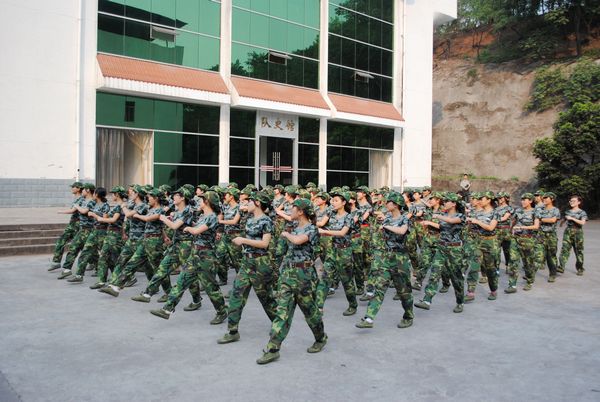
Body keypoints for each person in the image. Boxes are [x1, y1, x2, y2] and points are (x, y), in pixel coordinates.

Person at [256, 198, 327, 365]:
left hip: (304, 275)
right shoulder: (292, 228)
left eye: (293, 208)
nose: (290, 210)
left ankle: (320, 337)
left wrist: (286, 234)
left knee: (310, 312)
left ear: (301, 212)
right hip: (288, 274)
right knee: (282, 312)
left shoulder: (311, 229)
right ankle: (273, 348)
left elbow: (298, 240)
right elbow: (281, 251)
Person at [150, 191, 227, 324]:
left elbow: (196, 231)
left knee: (211, 288)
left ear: (207, 202)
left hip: (206, 257)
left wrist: (187, 228)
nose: (199, 202)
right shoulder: (202, 216)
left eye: (201, 200)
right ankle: (167, 309)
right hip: (195, 254)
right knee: (181, 281)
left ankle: (222, 311)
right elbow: (194, 226)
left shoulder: (212, 217)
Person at [218, 191, 277, 344]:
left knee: (266, 299)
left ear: (258, 203)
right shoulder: (249, 220)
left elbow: (264, 244)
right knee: (236, 295)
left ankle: (279, 325)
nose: (246, 204)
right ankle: (232, 331)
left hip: (260, 263)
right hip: (247, 262)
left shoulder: (266, 221)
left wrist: (243, 240)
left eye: (250, 201)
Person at [355, 192, 413, 329]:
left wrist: (386, 226)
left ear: (396, 204)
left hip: (400, 259)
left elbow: (402, 231)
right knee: (379, 288)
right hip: (386, 257)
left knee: (404, 292)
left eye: (389, 202)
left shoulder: (404, 218)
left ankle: (408, 316)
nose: (386, 204)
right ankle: (369, 318)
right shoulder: (387, 218)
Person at [130, 187, 196, 305]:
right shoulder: (178, 211)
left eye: (176, 195)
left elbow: (174, 226)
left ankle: (196, 299)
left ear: (182, 198)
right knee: (162, 268)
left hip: (186, 245)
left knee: (188, 274)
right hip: (176, 244)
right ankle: (147, 294)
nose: (173, 197)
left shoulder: (188, 210)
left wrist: (163, 218)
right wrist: (169, 218)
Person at [99, 188, 168, 297]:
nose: (148, 198)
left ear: (156, 199)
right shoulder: (149, 208)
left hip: (153, 242)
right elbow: (156, 225)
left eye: (150, 197)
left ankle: (168, 292)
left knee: (158, 268)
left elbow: (149, 220)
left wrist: (129, 210)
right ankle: (115, 286)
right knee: (131, 263)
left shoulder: (158, 210)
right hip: (144, 240)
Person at [414, 192, 466, 313]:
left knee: (456, 278)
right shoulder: (444, 214)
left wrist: (437, 216)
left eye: (447, 201)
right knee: (434, 273)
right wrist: (428, 223)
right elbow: (441, 227)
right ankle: (427, 300)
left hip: (454, 250)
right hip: (441, 247)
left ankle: (460, 302)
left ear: (453, 203)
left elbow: (451, 221)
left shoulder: (461, 216)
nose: (444, 203)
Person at [316, 190, 358, 316]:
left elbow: (342, 233)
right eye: (332, 200)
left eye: (336, 200)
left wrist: (324, 232)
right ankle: (318, 307)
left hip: (344, 251)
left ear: (344, 202)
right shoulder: (331, 213)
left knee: (346, 281)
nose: (333, 202)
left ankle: (353, 305)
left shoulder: (349, 217)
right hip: (332, 250)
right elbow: (321, 223)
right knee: (325, 278)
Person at [65, 187, 110, 283]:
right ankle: (79, 275)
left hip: (102, 232)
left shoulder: (105, 205)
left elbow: (104, 219)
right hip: (93, 231)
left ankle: (118, 275)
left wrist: (94, 215)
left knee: (106, 255)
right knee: (85, 253)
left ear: (97, 195)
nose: (93, 195)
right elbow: (86, 211)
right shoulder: (94, 204)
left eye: (94, 194)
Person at [57, 183, 97, 279]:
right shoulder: (83, 201)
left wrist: (77, 206)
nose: (82, 191)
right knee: (73, 248)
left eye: (83, 189)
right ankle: (67, 269)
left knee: (90, 251)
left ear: (88, 190)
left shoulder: (92, 201)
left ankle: (99, 267)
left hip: (89, 230)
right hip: (82, 229)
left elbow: (84, 211)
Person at [90, 186, 127, 289]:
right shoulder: (117, 206)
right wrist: (124, 233)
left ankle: (120, 280)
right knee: (103, 256)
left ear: (117, 195)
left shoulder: (120, 206)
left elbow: (114, 220)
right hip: (110, 234)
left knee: (116, 259)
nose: (112, 196)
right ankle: (101, 281)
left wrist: (98, 218)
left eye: (113, 194)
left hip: (115, 236)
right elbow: (121, 222)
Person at [467, 191, 500, 301]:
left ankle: (493, 290)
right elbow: (473, 228)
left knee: (490, 269)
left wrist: (477, 221)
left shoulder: (495, 213)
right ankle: (470, 292)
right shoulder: (478, 213)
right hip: (478, 242)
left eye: (482, 199)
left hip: (490, 243)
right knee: (474, 267)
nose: (479, 201)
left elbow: (491, 228)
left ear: (489, 200)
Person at [505, 193, 540, 292]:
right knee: (513, 261)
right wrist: (510, 230)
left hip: (528, 240)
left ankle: (529, 281)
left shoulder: (535, 211)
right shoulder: (518, 211)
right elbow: (513, 221)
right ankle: (512, 285)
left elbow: (536, 226)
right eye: (522, 199)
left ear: (531, 201)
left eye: (525, 199)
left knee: (528, 263)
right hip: (516, 238)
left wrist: (522, 227)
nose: (523, 201)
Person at [49, 182, 84, 271]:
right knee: (62, 240)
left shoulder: (81, 199)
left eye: (73, 187)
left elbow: (72, 210)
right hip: (73, 224)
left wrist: (60, 211)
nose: (72, 188)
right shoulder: (77, 198)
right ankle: (56, 262)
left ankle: (94, 262)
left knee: (80, 245)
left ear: (78, 188)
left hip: (77, 225)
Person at [215, 188, 243, 285]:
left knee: (237, 261)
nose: (224, 196)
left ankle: (241, 281)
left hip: (235, 236)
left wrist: (220, 221)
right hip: (226, 235)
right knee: (218, 256)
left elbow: (234, 221)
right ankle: (223, 279)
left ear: (231, 197)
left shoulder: (239, 208)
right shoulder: (225, 206)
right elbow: (221, 215)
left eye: (226, 195)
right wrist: (219, 230)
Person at [558, 195, 587, 276]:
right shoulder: (567, 212)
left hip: (578, 232)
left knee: (578, 251)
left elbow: (583, 222)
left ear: (579, 202)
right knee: (564, 249)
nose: (571, 202)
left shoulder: (582, 212)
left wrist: (572, 218)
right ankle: (561, 266)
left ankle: (580, 268)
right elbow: (563, 221)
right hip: (568, 231)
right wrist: (562, 222)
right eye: (570, 201)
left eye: (574, 201)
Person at [537, 192, 561, 282]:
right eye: (544, 198)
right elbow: (535, 219)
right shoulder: (540, 209)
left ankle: (552, 274)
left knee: (551, 256)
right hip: (541, 234)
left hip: (551, 235)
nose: (544, 199)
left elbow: (553, 220)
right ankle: (530, 274)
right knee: (537, 254)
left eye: (547, 198)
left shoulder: (555, 210)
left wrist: (540, 219)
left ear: (552, 199)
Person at [495, 192, 514, 271]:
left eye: (501, 198)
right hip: (496, 230)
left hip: (505, 231)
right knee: (496, 250)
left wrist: (493, 220)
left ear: (505, 198)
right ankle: (496, 268)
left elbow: (504, 218)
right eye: (498, 198)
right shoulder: (495, 209)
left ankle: (508, 265)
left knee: (507, 250)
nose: (499, 199)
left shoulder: (509, 208)